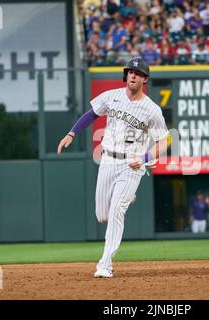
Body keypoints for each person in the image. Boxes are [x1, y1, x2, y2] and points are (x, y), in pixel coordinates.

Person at [57, 58, 168, 278]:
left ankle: (105, 264)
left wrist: (145, 157)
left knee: (117, 210)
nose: (133, 75)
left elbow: (163, 143)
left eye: (138, 72)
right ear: (126, 75)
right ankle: (127, 198)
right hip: (107, 160)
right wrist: (71, 133)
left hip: (131, 164)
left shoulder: (152, 110)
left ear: (145, 79)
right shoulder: (112, 96)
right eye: (130, 71)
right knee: (102, 216)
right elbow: (91, 114)